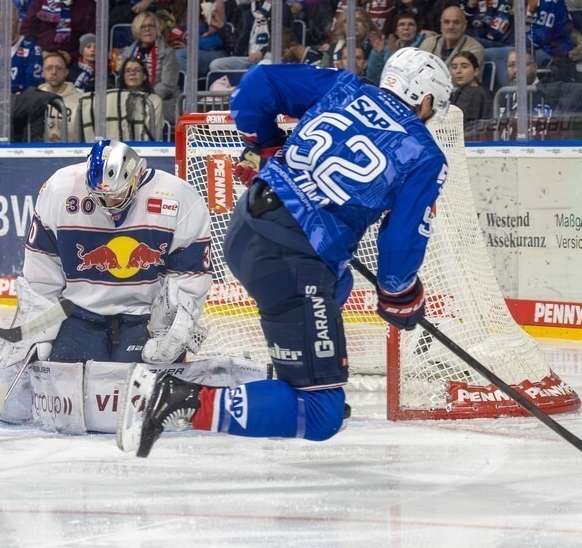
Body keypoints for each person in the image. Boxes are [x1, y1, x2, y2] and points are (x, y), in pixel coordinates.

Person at [117, 47, 453, 457]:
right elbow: (400, 244)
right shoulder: (424, 152)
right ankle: (176, 397)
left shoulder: (345, 86)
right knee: (320, 415)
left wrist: (268, 145)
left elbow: (257, 84)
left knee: (338, 281)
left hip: (247, 227)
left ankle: (296, 376)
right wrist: (399, 295)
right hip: (292, 260)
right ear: (427, 99)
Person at [0, 139, 216, 433]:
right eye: (100, 197)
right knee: (68, 405)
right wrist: (36, 331)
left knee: (135, 409)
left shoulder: (179, 196)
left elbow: (188, 275)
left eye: (117, 196)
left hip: (144, 319)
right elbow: (42, 271)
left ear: (136, 177)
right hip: (79, 313)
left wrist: (172, 328)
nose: (108, 204)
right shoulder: (59, 189)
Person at [20, 0, 96, 60]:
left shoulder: (88, 5)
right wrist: (40, 53)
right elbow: (27, 32)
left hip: (74, 60)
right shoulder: (39, 2)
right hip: (40, 57)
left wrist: (73, 56)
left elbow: (92, 38)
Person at [119, 11, 179, 125]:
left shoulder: (167, 53)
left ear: (157, 29)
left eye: (151, 26)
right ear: (137, 30)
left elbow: (168, 85)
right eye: (143, 27)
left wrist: (146, 99)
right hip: (132, 99)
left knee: (143, 112)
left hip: (163, 101)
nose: (147, 30)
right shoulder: (127, 55)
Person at [0, 13, 43, 94]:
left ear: (18, 25)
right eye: (1, 20)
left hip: (22, 102)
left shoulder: (32, 48)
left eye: (9, 20)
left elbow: (33, 83)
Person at [420, 5, 485, 66]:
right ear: (441, 24)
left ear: (464, 25)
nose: (451, 27)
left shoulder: (474, 49)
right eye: (446, 22)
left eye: (456, 22)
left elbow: (460, 76)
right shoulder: (428, 44)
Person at [448, 50, 493, 139]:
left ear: (476, 71)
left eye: (464, 67)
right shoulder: (455, 92)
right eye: (454, 67)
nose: (458, 71)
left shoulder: (478, 93)